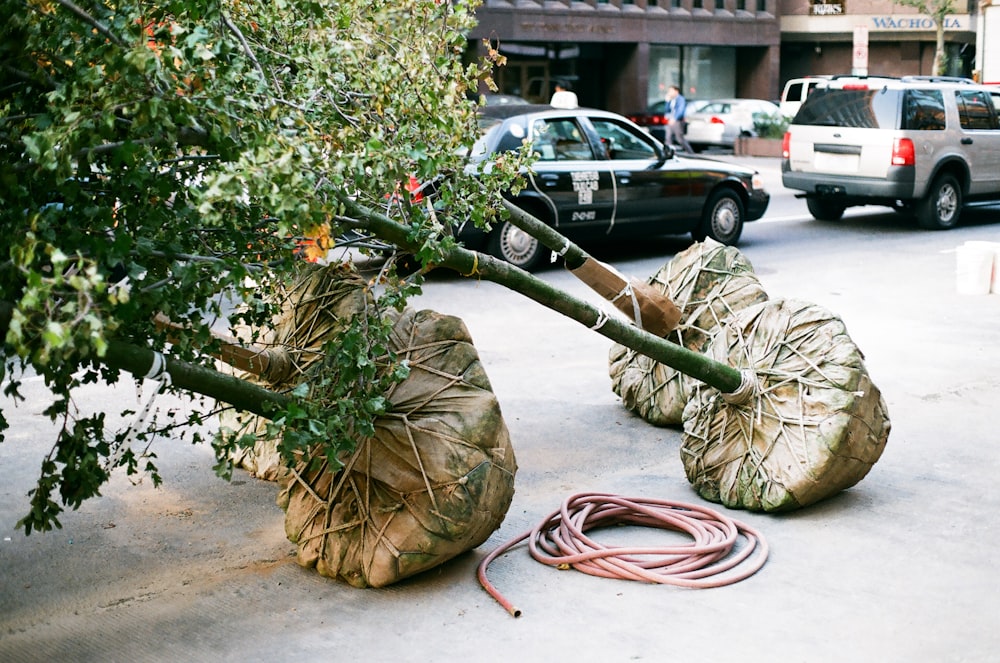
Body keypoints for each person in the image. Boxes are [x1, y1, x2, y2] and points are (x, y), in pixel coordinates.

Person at [665, 85, 694, 153]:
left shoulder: (680, 99)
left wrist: (674, 118)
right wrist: (667, 102)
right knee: (668, 138)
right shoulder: (671, 100)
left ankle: (690, 152)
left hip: (677, 121)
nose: (669, 93)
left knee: (679, 138)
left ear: (676, 91)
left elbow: (680, 110)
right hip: (670, 120)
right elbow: (667, 110)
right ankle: (667, 153)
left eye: (671, 91)